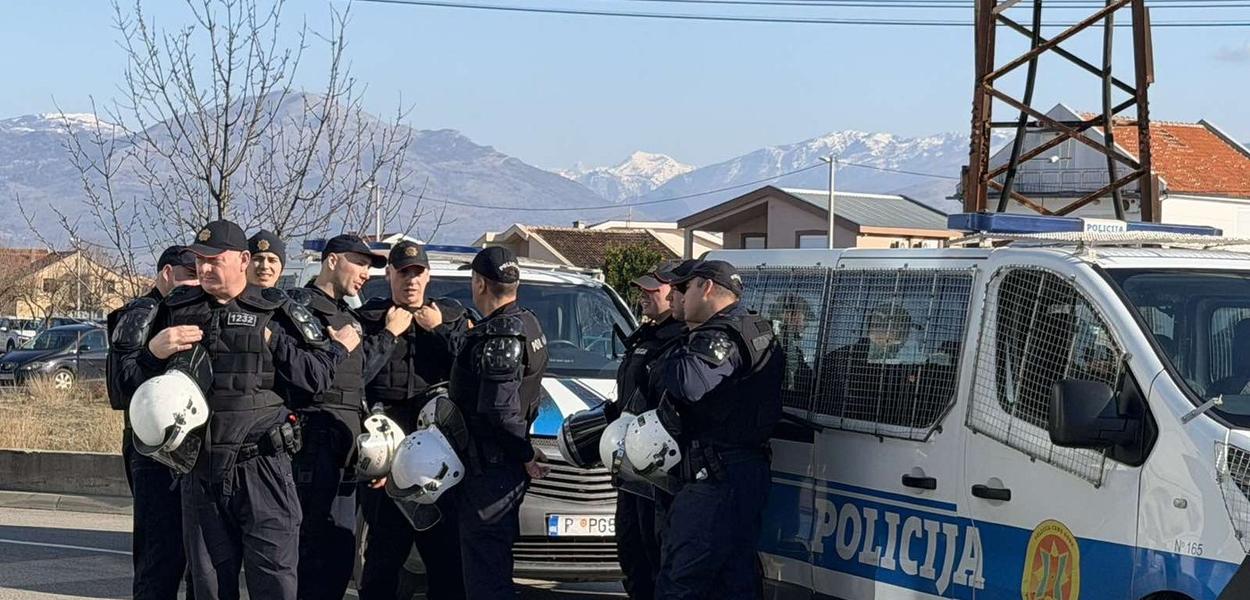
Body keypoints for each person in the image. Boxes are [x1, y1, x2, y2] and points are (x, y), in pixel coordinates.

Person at [117, 219, 360, 600]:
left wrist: (272, 340)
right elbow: (123, 389)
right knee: (208, 588)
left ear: (243, 260)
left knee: (275, 582)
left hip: (262, 468)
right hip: (200, 470)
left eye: (215, 260)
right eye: (199, 260)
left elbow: (316, 379)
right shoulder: (175, 310)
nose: (205, 268)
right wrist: (153, 352)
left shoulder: (278, 311)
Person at [648, 259, 783, 599]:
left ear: (706, 287)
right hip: (736, 471)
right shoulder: (754, 327)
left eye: (685, 288)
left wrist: (674, 350)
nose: (678, 297)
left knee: (682, 579)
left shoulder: (719, 334)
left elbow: (689, 383)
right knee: (733, 581)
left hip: (717, 477)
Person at [355, 240, 471, 600]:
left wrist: (439, 329)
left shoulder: (450, 317)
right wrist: (388, 334)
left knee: (446, 560)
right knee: (382, 561)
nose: (410, 280)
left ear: (428, 276)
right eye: (403, 272)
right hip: (385, 461)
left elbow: (471, 373)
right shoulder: (370, 321)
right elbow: (353, 381)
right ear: (389, 274)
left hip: (438, 464)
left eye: (417, 273)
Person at [282, 234, 388, 600]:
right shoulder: (299, 310)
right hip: (312, 448)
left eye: (369, 267)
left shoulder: (348, 317)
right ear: (332, 261)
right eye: (359, 264)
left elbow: (357, 384)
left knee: (340, 559)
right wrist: (335, 347)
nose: (366, 274)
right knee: (310, 554)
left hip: (347, 453)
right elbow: (301, 378)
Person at [448, 246, 550, 600]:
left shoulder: (501, 335)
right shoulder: (528, 322)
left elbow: (500, 410)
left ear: (479, 283)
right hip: (499, 464)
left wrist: (523, 452)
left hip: (490, 469)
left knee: (485, 573)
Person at [106, 245, 199, 600]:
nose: (195, 283)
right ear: (167, 274)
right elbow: (120, 390)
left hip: (194, 445)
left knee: (198, 559)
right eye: (189, 274)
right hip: (152, 449)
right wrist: (151, 354)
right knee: (159, 557)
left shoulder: (197, 311)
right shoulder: (141, 314)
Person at [612, 260, 687, 600]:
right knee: (632, 553)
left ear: (674, 293)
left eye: (652, 290)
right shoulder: (647, 336)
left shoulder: (679, 341)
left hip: (657, 473)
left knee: (655, 558)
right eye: (641, 289)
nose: (643, 295)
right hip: (630, 471)